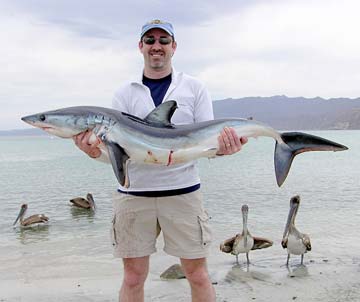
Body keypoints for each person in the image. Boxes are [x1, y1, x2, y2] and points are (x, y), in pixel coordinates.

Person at [73, 19, 247, 302]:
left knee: (198, 274)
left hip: (184, 194)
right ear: (140, 46)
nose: (157, 46)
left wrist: (225, 148)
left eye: (163, 41)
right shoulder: (124, 93)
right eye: (150, 40)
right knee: (132, 277)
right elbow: (117, 154)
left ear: (173, 47)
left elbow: (208, 143)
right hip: (133, 196)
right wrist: (94, 152)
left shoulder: (194, 88)